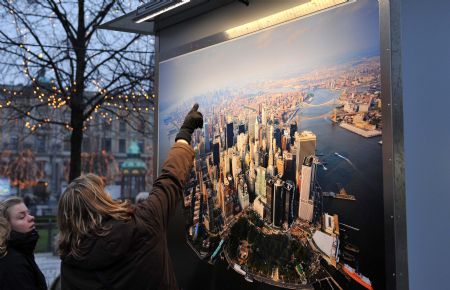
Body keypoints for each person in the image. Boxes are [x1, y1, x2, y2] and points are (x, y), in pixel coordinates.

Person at [57, 103, 203, 290]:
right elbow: (170, 179)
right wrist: (185, 132)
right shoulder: (143, 222)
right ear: (103, 200)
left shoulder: (69, 263)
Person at [0, 197, 47, 290]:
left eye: (28, 213)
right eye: (21, 217)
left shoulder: (21, 251)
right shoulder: (13, 263)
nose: (31, 217)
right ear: (6, 226)